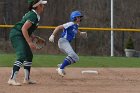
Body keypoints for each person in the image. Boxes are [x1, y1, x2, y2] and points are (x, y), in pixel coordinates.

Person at [8, 0, 47, 86]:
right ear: (37, 6)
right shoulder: (33, 15)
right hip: (17, 34)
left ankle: (27, 79)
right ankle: (12, 79)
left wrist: (34, 37)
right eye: (42, 5)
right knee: (22, 55)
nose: (43, 6)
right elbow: (23, 29)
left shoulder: (34, 15)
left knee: (29, 56)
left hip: (20, 34)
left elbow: (27, 29)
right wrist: (29, 42)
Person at [49, 11, 87, 77]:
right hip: (63, 41)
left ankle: (62, 65)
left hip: (66, 43)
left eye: (80, 17)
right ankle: (61, 68)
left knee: (76, 58)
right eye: (77, 17)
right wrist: (52, 35)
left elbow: (76, 30)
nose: (79, 19)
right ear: (73, 18)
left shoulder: (76, 26)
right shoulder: (71, 23)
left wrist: (81, 33)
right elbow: (58, 27)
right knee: (72, 54)